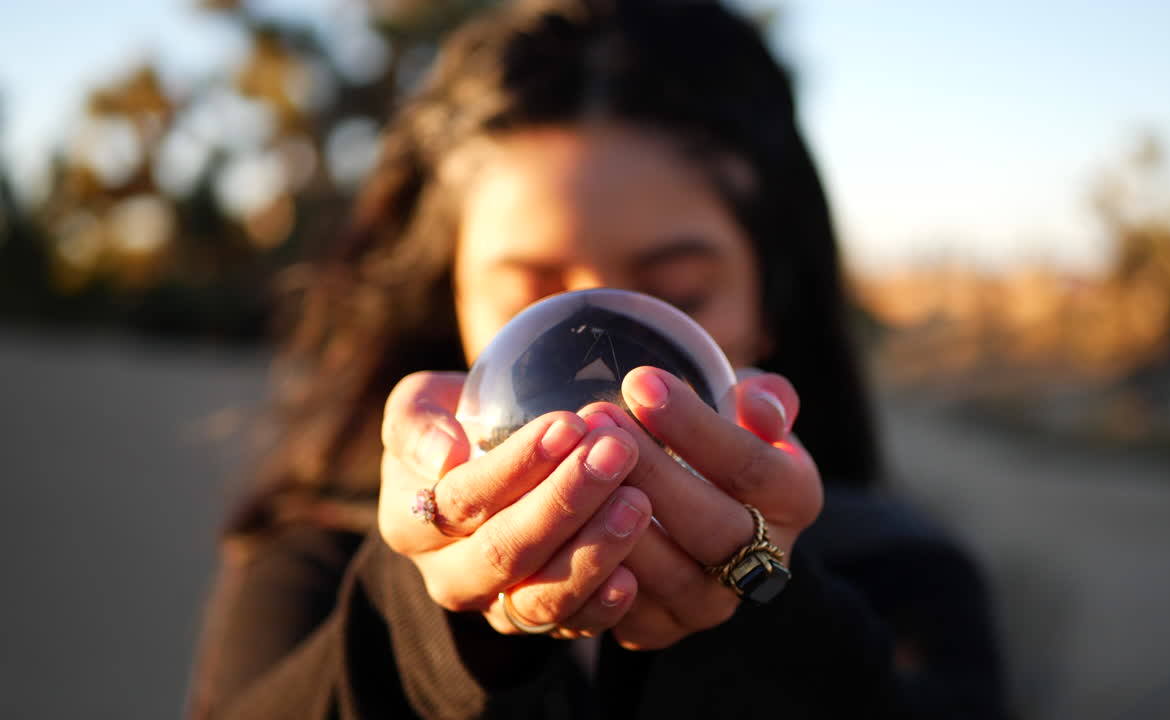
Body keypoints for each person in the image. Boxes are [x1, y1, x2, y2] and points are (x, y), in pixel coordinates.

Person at [190, 0, 1006, 717]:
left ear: (769, 310)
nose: (604, 391)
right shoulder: (314, 560)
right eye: (535, 308)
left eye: (679, 300)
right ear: (455, 308)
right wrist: (432, 619)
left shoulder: (906, 577)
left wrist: (768, 608)